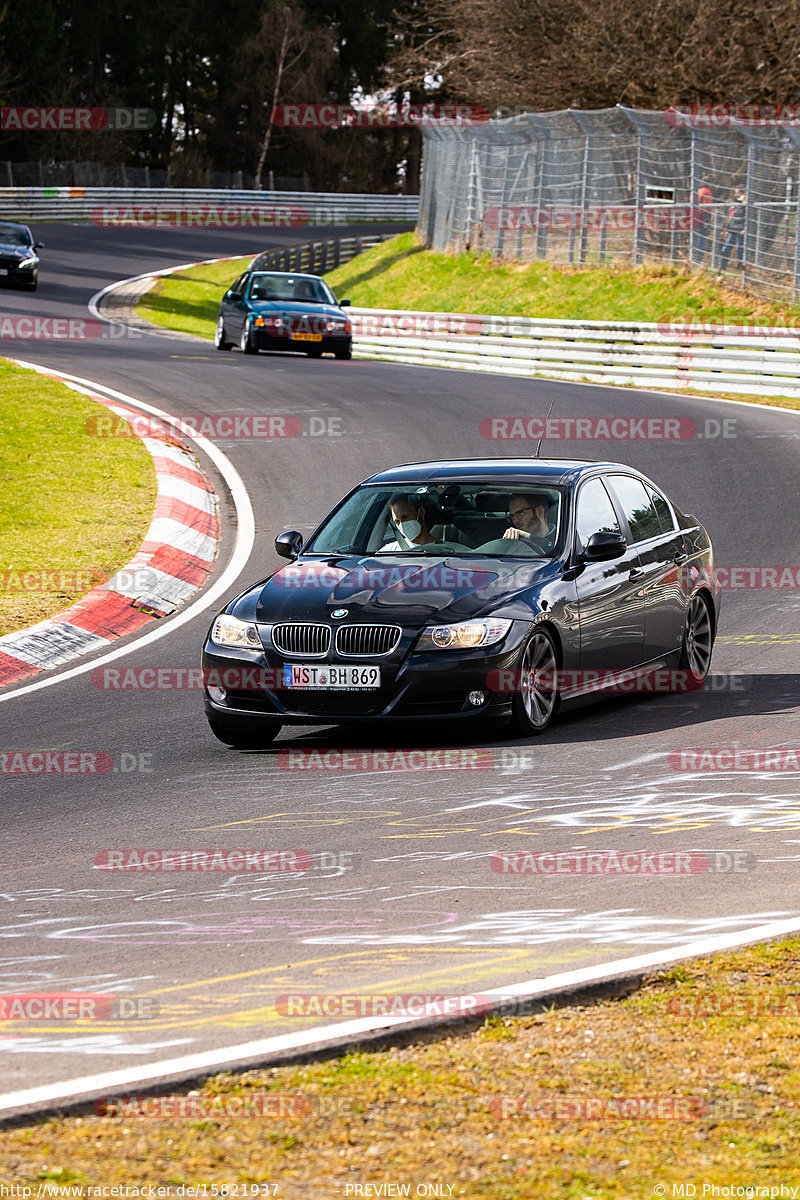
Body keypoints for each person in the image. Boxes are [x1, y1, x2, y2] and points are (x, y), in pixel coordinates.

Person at [719, 188, 746, 271]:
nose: (735, 194)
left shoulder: (745, 205)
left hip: (740, 230)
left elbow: (748, 218)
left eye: (737, 193)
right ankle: (722, 267)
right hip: (732, 230)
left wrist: (745, 229)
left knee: (739, 250)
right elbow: (731, 217)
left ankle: (740, 268)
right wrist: (727, 229)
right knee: (726, 248)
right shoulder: (734, 204)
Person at [694, 184, 713, 262]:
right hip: (703, 215)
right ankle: (699, 258)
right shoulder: (707, 191)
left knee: (696, 235)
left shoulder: (696, 191)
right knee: (702, 236)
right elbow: (707, 206)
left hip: (696, 215)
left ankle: (694, 256)